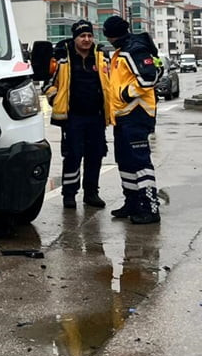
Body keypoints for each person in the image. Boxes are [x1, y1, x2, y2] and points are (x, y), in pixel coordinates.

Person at [102, 15, 161, 224]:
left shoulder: (133, 50)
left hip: (136, 114)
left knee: (140, 161)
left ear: (111, 35)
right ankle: (132, 202)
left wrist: (126, 94)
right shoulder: (121, 51)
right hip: (123, 116)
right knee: (125, 161)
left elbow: (149, 77)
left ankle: (150, 207)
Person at [44, 19, 109, 210]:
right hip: (72, 117)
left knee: (95, 155)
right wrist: (55, 99)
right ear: (75, 38)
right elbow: (47, 84)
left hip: (96, 116)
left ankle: (91, 192)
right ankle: (69, 194)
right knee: (73, 155)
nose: (86, 39)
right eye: (82, 36)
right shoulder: (62, 58)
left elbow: (110, 82)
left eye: (89, 35)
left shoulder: (101, 57)